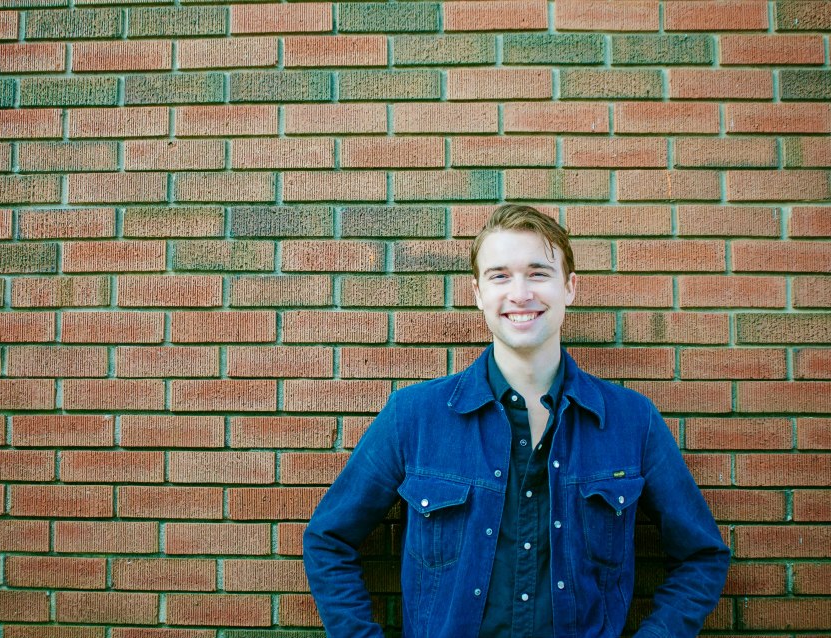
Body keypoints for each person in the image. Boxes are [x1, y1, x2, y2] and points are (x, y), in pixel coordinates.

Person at [303, 204, 730, 637]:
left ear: (570, 287)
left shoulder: (632, 421)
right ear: (478, 293)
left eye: (538, 273)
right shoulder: (413, 416)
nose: (520, 293)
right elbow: (328, 540)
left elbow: (701, 557)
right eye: (500, 276)